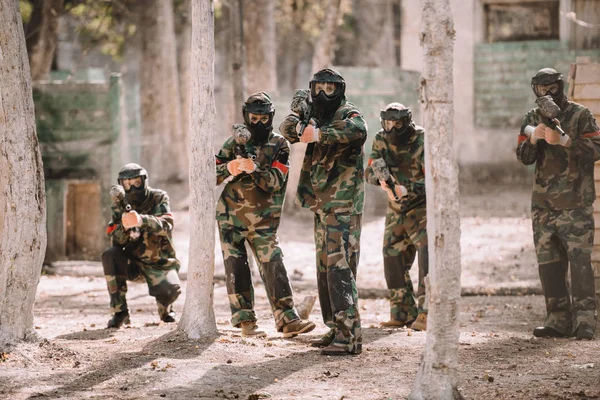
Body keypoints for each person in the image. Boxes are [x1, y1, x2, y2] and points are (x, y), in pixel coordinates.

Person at [279, 68, 367, 355]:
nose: (323, 94)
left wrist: (319, 133)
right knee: (325, 269)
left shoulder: (347, 112)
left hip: (342, 205)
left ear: (339, 90)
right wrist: (300, 114)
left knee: (341, 269)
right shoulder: (313, 113)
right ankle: (335, 327)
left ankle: (349, 335)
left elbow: (359, 130)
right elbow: (287, 130)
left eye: (330, 89)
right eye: (318, 88)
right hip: (321, 203)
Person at [215, 92, 316, 338]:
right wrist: (229, 167)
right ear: (246, 116)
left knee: (274, 265)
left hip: (264, 222)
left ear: (270, 117)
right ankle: (246, 323)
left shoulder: (279, 144)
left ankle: (287, 319)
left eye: (263, 118)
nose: (258, 122)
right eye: (253, 117)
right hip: (230, 217)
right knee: (236, 268)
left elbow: (275, 181)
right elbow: (209, 173)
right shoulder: (233, 143)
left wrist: (254, 168)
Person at [516, 67, 599, 340]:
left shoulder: (580, 115)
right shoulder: (531, 118)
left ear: (560, 87)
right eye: (542, 89)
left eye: (551, 87)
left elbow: (596, 150)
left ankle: (585, 320)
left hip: (575, 203)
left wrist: (564, 140)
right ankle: (558, 319)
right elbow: (524, 157)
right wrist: (533, 137)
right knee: (548, 264)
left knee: (579, 263)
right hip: (543, 206)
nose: (547, 93)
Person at [364, 103, 428, 331]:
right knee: (392, 256)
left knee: (427, 256)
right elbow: (369, 170)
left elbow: (433, 179)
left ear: (407, 122)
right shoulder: (381, 139)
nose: (392, 129)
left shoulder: (422, 140)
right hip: (395, 208)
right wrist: (381, 181)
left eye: (397, 124)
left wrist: (406, 189)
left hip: (422, 208)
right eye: (388, 123)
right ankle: (402, 313)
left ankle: (427, 312)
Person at [102, 163, 182, 328]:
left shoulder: (159, 197)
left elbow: (166, 225)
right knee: (110, 255)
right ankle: (120, 312)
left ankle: (166, 310)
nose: (132, 187)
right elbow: (114, 239)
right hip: (133, 265)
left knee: (170, 291)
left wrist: (141, 220)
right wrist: (124, 227)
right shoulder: (119, 204)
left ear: (144, 181)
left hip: (159, 263)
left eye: (136, 182)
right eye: (127, 183)